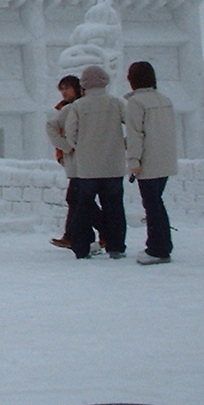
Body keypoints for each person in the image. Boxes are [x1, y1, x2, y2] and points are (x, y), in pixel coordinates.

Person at [64, 65, 127, 260]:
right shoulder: (116, 103)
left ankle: (81, 248)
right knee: (114, 207)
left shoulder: (78, 106)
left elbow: (70, 134)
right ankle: (115, 247)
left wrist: (81, 147)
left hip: (87, 167)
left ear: (83, 85)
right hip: (113, 165)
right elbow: (133, 126)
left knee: (83, 207)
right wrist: (123, 144)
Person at [125, 61, 178, 265]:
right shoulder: (165, 100)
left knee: (152, 206)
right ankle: (162, 245)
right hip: (165, 160)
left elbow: (136, 134)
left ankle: (157, 248)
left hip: (148, 162)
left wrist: (134, 161)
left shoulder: (136, 103)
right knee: (157, 204)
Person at [45, 75, 103, 252]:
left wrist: (65, 148)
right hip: (75, 161)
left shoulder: (77, 108)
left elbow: (58, 130)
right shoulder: (67, 108)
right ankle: (81, 235)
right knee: (78, 199)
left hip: (82, 161)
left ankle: (99, 232)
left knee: (77, 198)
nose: (64, 92)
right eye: (61, 89)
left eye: (67, 88)